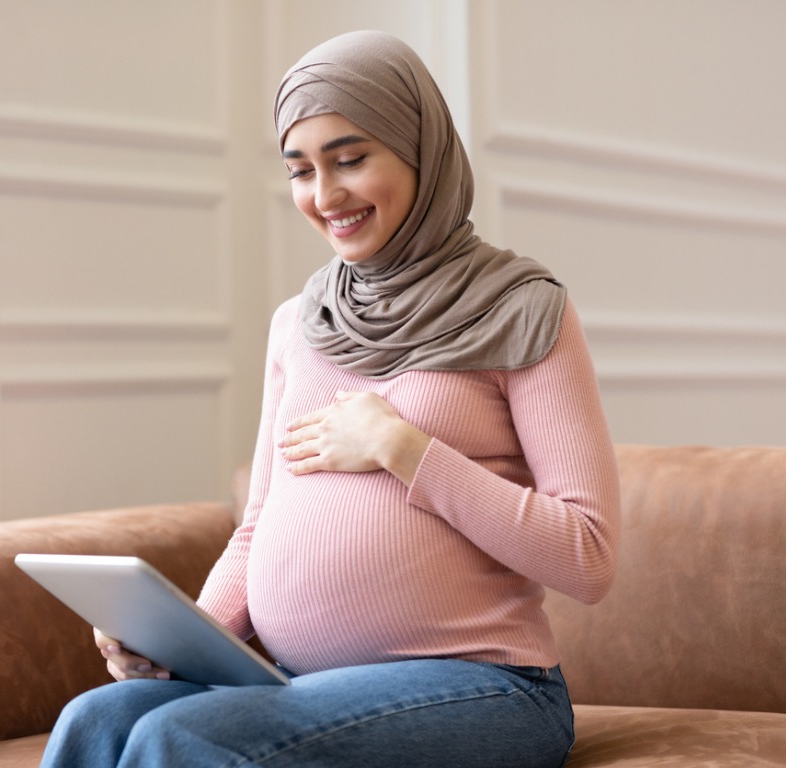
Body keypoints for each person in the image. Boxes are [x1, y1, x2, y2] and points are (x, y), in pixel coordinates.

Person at [40, 30, 620, 768]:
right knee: (97, 719)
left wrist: (404, 449)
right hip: (309, 685)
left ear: (420, 148)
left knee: (173, 738)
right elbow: (258, 529)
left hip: (490, 686)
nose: (325, 195)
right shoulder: (299, 324)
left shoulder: (523, 310)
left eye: (350, 159)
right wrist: (182, 638)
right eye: (302, 170)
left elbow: (589, 556)